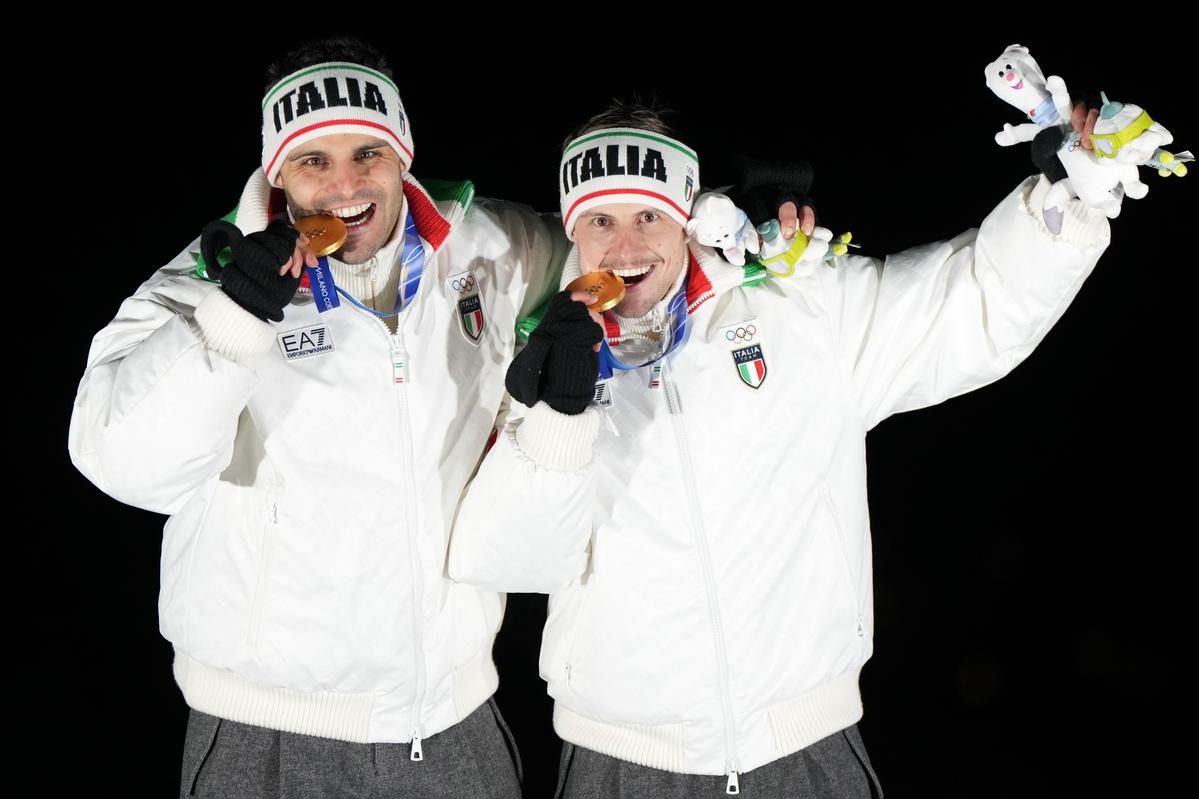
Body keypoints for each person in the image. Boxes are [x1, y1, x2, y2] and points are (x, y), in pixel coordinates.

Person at [447, 99, 1121, 797]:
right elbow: (513, 560)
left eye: (648, 214)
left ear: (687, 213)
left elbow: (971, 305)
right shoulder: (533, 354)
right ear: (571, 228)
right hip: (620, 761)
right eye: (600, 221)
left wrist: (1065, 198)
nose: (626, 247)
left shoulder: (799, 302)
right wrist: (559, 414)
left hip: (804, 746)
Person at [68, 36, 566, 798]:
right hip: (269, 725)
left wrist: (721, 230)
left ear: (402, 154)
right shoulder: (203, 283)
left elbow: (620, 247)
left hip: (454, 714)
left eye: (368, 153)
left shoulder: (490, 248)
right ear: (277, 173)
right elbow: (123, 463)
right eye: (313, 161)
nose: (345, 185)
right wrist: (232, 315)